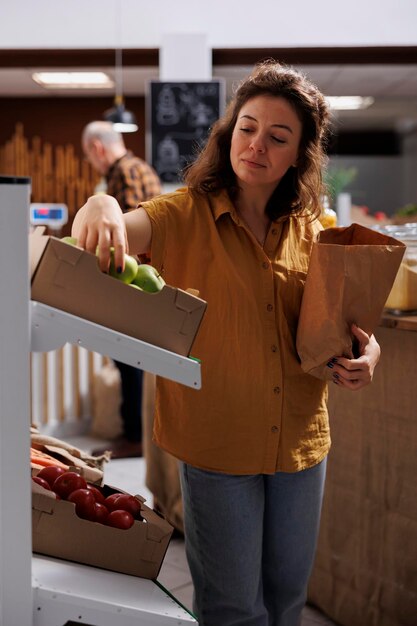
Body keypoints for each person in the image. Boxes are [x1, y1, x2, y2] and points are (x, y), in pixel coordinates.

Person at [73, 61, 381, 626]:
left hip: (300, 446)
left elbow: (346, 325)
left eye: (277, 137)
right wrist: (100, 204)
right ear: (228, 131)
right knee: (233, 608)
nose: (257, 144)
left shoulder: (315, 229)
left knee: (288, 602)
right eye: (247, 126)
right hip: (217, 446)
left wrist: (367, 354)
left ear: (298, 156)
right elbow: (110, 227)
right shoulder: (183, 214)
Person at [82, 121, 162, 458]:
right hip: (150, 280)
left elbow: (123, 236)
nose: (94, 163)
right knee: (137, 362)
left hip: (132, 284)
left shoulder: (122, 173)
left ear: (98, 149)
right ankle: (140, 433)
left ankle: (134, 437)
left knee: (129, 359)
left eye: (90, 157)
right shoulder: (142, 167)